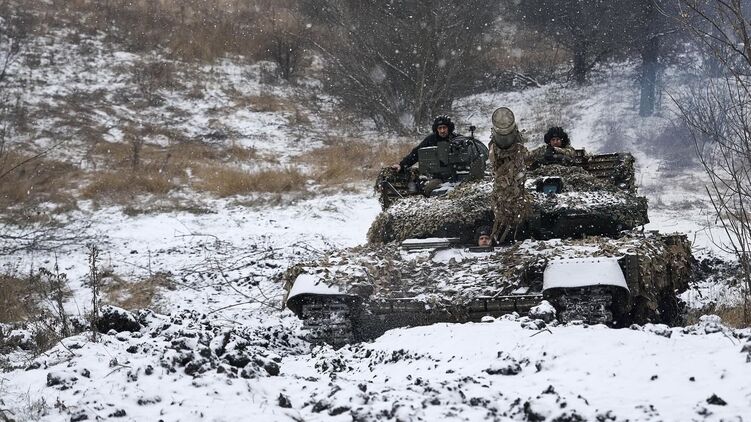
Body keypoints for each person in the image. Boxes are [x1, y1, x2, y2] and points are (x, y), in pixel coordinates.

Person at [392, 115, 461, 195]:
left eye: (444, 127)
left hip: (457, 176)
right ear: (436, 129)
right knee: (428, 189)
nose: (442, 131)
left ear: (449, 128)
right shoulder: (431, 139)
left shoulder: (457, 139)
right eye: (440, 128)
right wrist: (402, 165)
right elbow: (416, 154)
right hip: (438, 177)